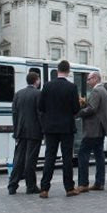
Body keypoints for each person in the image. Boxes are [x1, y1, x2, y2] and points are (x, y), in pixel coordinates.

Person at [37, 60, 80, 198]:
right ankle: (69, 188)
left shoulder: (47, 86)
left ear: (57, 70)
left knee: (49, 157)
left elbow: (41, 107)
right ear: (68, 71)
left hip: (50, 127)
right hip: (66, 127)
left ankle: (44, 189)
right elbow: (76, 109)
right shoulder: (72, 87)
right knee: (67, 158)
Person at [8, 71, 42, 195]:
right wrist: (43, 130)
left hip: (21, 131)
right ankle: (31, 186)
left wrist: (16, 131)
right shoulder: (38, 94)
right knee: (30, 160)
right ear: (36, 80)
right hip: (34, 132)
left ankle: (12, 185)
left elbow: (14, 114)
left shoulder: (18, 94)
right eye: (38, 79)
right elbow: (40, 114)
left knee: (18, 159)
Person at [75, 72, 107, 193]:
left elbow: (92, 109)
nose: (87, 82)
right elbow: (97, 108)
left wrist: (78, 113)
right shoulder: (104, 91)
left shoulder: (96, 91)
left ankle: (83, 183)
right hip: (100, 128)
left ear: (95, 79)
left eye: (89, 79)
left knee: (82, 154)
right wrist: (86, 103)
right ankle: (99, 182)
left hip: (92, 129)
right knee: (99, 156)